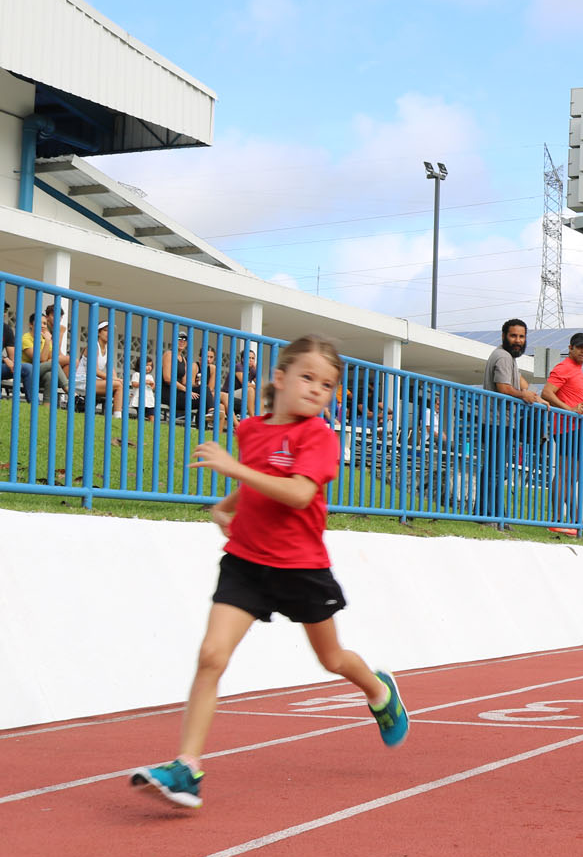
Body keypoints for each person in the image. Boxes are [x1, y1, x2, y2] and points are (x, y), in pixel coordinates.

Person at [129, 335, 408, 809]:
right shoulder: (251, 430)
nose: (318, 389)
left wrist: (233, 471)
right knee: (211, 654)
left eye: (327, 384)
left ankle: (379, 690)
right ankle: (187, 768)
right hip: (246, 562)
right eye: (307, 377)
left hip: (302, 568)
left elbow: (298, 493)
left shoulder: (318, 437)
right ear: (279, 378)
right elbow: (261, 477)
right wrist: (226, 506)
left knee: (332, 659)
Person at [479, 318, 549, 520]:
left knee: (496, 469)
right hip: (496, 421)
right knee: (495, 471)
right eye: (513, 336)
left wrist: (534, 395)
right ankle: (489, 514)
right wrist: (523, 395)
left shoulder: (510, 358)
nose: (518, 340)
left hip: (502, 421)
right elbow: (503, 388)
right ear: (504, 336)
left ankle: (491, 513)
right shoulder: (502, 357)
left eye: (521, 336)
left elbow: (520, 381)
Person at [542, 332, 583, 526]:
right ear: (570, 348)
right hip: (567, 428)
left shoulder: (577, 370)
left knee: (572, 476)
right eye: (579, 347)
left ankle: (575, 520)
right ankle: (558, 519)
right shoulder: (564, 367)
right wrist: (569, 410)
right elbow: (546, 393)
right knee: (564, 474)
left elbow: (577, 401)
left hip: (579, 427)